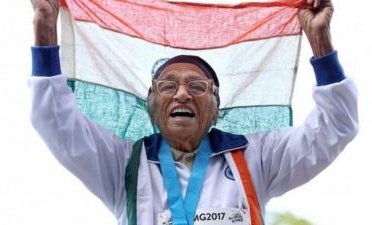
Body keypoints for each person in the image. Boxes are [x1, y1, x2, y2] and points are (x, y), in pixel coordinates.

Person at [29, 0, 358, 224]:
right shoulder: (123, 164)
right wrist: (45, 22)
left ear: (215, 110)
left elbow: (337, 125)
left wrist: (320, 41)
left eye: (198, 87)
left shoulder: (256, 155)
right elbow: (54, 119)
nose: (183, 93)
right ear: (152, 107)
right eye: (168, 86)